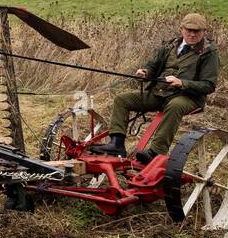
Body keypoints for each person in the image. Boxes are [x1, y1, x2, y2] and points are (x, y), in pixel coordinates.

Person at [89, 13, 220, 165]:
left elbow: (209, 85)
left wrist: (182, 83)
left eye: (196, 31)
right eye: (188, 30)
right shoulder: (170, 45)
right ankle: (117, 144)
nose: (192, 34)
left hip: (188, 97)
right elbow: (153, 65)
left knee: (175, 105)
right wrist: (145, 72)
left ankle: (156, 152)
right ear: (181, 29)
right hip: (159, 93)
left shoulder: (209, 52)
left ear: (203, 31)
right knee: (122, 99)